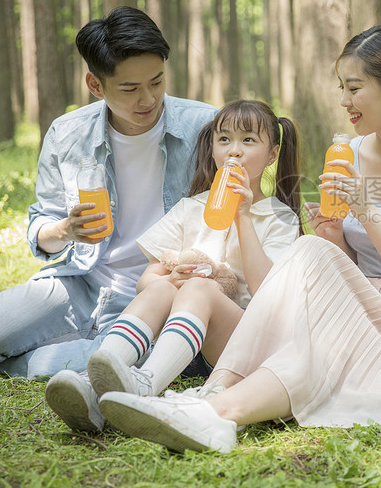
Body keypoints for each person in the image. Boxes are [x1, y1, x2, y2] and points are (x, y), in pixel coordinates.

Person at [97, 24, 381, 454]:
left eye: (354, 88)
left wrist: (365, 211)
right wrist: (333, 237)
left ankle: (214, 409)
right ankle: (212, 403)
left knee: (315, 313)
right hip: (367, 301)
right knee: (309, 288)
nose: (343, 100)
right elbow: (354, 267)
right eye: (341, 87)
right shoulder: (352, 153)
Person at [0, 7, 219, 380]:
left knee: (129, 360)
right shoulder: (68, 133)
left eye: (156, 82)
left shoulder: (207, 126)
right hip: (81, 281)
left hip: (159, 296)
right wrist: (64, 230)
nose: (148, 99)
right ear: (96, 85)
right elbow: (42, 223)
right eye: (130, 88)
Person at [45, 99, 302, 433]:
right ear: (212, 149)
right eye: (224, 140)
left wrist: (243, 217)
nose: (233, 151)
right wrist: (173, 277)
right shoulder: (190, 208)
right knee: (166, 284)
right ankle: (93, 384)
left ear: (272, 154)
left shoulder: (278, 217)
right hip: (184, 345)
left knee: (199, 288)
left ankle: (146, 385)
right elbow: (146, 280)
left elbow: (268, 290)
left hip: (243, 346)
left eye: (248, 140)